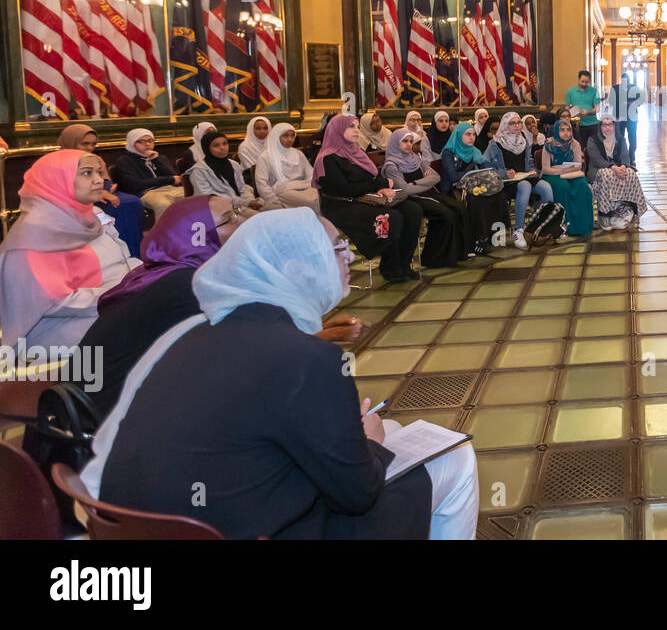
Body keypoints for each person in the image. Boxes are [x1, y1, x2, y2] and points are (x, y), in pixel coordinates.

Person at [80, 209, 479, 540]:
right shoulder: (311, 359)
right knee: (453, 458)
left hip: (135, 523)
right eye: (338, 249)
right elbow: (357, 494)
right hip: (239, 531)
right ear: (295, 268)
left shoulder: (192, 329)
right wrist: (371, 443)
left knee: (388, 427)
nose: (351, 258)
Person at [80, 196, 362, 414]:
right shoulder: (191, 287)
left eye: (237, 211)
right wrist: (318, 340)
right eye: (229, 219)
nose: (243, 222)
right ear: (195, 235)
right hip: (114, 419)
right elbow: (249, 365)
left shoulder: (167, 271)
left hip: (111, 405)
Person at [0, 150, 139, 350]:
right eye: (86, 173)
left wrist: (145, 277)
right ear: (56, 180)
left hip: (108, 306)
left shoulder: (93, 214)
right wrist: (124, 293)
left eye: (100, 172)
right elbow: (57, 301)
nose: (99, 180)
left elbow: (123, 258)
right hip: (61, 332)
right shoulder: (36, 233)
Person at [314, 114, 423, 284]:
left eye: (357, 126)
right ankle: (391, 267)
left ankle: (404, 263)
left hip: (367, 199)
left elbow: (375, 176)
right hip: (342, 205)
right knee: (392, 217)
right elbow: (344, 189)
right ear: (337, 130)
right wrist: (375, 187)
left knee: (413, 210)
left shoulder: (355, 152)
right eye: (351, 127)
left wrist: (383, 186)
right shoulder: (327, 158)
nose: (356, 130)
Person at [384, 129, 469, 266]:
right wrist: (426, 183)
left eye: (411, 141)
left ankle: (458, 253)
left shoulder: (415, 158)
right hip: (412, 198)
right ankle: (435, 257)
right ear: (395, 143)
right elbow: (406, 189)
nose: (409, 144)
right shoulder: (391, 165)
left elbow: (436, 177)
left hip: (428, 192)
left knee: (458, 208)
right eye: (404, 141)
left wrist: (417, 182)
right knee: (446, 214)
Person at [57, 124, 145, 258]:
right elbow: (60, 187)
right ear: (71, 142)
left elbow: (106, 180)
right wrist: (97, 192)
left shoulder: (95, 159)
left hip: (102, 195)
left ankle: (134, 255)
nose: (90, 148)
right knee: (122, 206)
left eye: (93, 144)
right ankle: (121, 255)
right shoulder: (57, 161)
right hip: (72, 200)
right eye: (85, 144)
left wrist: (104, 190)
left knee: (132, 202)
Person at [486, 112, 554, 248]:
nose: (517, 126)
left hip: (524, 177)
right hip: (507, 182)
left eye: (519, 123)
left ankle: (542, 227)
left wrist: (532, 171)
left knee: (546, 187)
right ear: (505, 125)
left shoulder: (523, 139)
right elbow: (487, 167)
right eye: (513, 123)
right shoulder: (495, 143)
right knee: (524, 186)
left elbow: (528, 161)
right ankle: (519, 230)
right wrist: (504, 173)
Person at [441, 122, 510, 254]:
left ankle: (493, 234)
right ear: (459, 135)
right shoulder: (448, 152)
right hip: (455, 190)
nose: (472, 138)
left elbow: (485, 170)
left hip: (474, 185)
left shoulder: (475, 151)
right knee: (476, 200)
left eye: (473, 134)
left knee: (498, 195)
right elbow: (453, 176)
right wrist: (470, 174)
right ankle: (479, 239)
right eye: (468, 134)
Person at [586, 115, 648, 230]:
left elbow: (625, 155)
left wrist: (624, 166)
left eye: (610, 124)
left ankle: (633, 210)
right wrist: (613, 168)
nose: (607, 128)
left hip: (617, 171)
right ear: (600, 126)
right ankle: (604, 214)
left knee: (631, 173)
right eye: (604, 125)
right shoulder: (593, 140)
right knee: (606, 173)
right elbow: (597, 160)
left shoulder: (620, 139)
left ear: (614, 126)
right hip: (597, 171)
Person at [539, 118, 594, 238]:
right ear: (555, 131)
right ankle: (563, 227)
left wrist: (561, 168)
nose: (566, 133)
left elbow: (578, 166)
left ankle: (583, 226)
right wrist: (565, 169)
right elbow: (546, 169)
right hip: (552, 176)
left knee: (582, 187)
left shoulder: (575, 144)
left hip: (571, 175)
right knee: (563, 187)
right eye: (562, 130)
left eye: (568, 130)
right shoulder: (548, 144)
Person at [112, 129, 185, 215]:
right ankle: (165, 228)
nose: (147, 144)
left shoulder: (159, 158)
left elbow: (175, 177)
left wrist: (156, 160)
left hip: (170, 189)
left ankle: (191, 227)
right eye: (141, 141)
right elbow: (135, 185)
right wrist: (169, 179)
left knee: (195, 196)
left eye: (150, 140)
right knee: (163, 204)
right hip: (146, 193)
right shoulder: (125, 161)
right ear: (132, 143)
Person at [189, 131, 264, 212]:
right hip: (218, 209)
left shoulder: (234, 165)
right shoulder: (199, 170)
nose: (222, 148)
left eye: (225, 144)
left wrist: (250, 200)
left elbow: (242, 188)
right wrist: (245, 203)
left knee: (269, 208)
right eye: (216, 145)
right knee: (256, 217)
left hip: (239, 204)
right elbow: (210, 197)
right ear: (207, 148)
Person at [256, 124, 321, 213]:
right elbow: (262, 184)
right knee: (310, 201)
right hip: (283, 190)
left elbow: (311, 174)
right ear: (276, 136)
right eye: (285, 136)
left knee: (321, 197)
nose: (290, 139)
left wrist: (310, 185)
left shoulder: (298, 154)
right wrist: (273, 200)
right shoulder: (265, 157)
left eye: (292, 136)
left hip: (304, 186)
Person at [606, 72, 642, 168]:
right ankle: (620, 158)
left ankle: (631, 157)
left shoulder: (634, 88)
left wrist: (628, 103)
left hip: (631, 117)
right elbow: (611, 102)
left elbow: (639, 102)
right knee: (618, 138)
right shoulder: (615, 88)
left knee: (632, 138)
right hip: (618, 117)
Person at [565, 70, 600, 149]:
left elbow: (597, 109)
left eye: (586, 82)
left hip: (593, 124)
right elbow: (566, 108)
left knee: (594, 148)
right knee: (580, 148)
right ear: (578, 79)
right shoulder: (570, 91)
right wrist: (571, 113)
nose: (584, 84)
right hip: (578, 125)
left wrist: (588, 112)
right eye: (582, 81)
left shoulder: (595, 91)